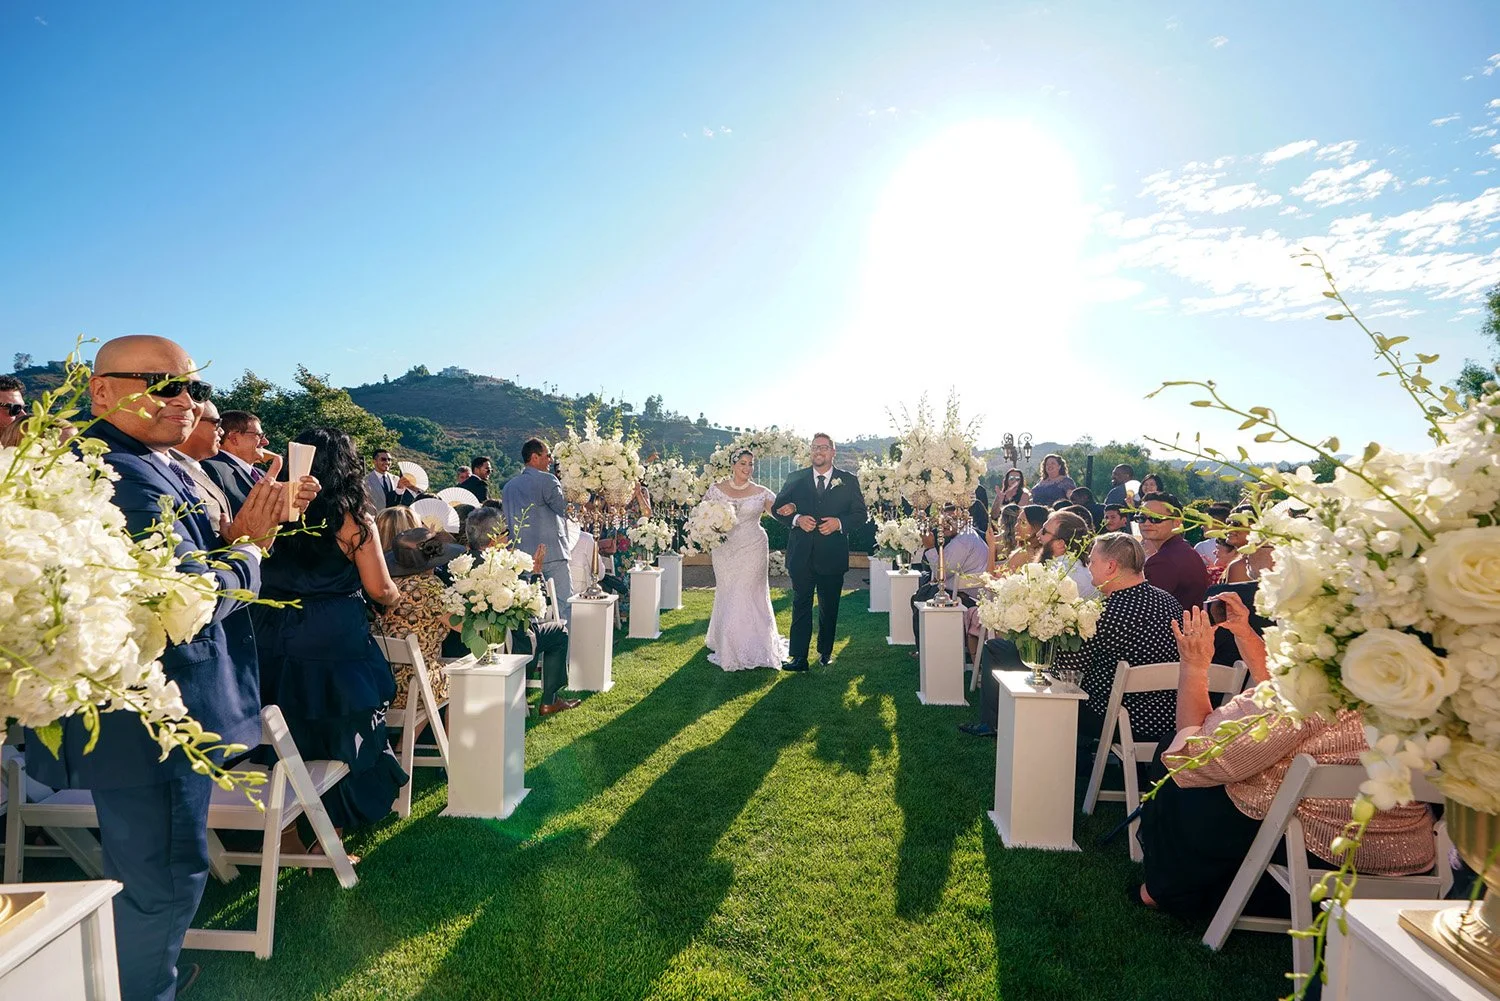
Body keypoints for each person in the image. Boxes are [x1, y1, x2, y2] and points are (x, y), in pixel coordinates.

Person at [27, 335, 316, 1001]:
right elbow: (181, 598)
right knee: (161, 881)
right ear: (101, 391)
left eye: (193, 387)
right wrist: (249, 547)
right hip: (147, 719)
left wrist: (253, 526)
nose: (184, 400)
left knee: (166, 871)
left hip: (171, 707)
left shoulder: (157, 459)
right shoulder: (112, 472)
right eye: (161, 384)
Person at [1135, 594, 1437, 913]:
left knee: (1179, 764)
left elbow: (1193, 760)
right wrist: (1246, 633)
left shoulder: (1311, 697)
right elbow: (1278, 690)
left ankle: (1162, 889)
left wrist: (1194, 666)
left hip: (1326, 860)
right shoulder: (1409, 692)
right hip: (1413, 856)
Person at [252, 427, 409, 847]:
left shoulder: (273, 510)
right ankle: (329, 837)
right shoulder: (353, 519)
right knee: (342, 735)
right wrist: (394, 597)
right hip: (333, 641)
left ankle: (284, 837)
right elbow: (379, 589)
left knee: (285, 736)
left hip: (274, 634)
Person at [961, 511, 1097, 737]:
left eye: (1045, 532)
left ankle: (991, 723)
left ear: (1061, 544)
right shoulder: (1084, 570)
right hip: (1077, 656)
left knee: (995, 648)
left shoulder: (1054, 573)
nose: (1040, 537)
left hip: (1056, 658)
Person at [463, 505, 579, 715]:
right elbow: (535, 608)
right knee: (559, 632)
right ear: (493, 539)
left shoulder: (460, 566)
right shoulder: (501, 570)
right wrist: (536, 573)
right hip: (512, 648)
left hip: (467, 649)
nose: (509, 539)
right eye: (506, 533)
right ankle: (550, 700)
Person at [772, 433, 868, 670]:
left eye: (823, 447)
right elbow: (776, 509)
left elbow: (860, 515)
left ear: (833, 452)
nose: (818, 451)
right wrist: (796, 519)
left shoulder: (848, 480)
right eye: (815, 447)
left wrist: (839, 523)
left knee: (829, 607)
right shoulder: (796, 477)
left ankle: (825, 652)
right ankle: (799, 657)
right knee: (801, 604)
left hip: (832, 556)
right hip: (801, 555)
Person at [703, 449, 787, 671]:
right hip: (724, 550)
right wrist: (708, 531)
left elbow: (779, 513)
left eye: (751, 464)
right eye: (743, 463)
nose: (747, 468)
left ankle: (751, 646)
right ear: (733, 465)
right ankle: (726, 640)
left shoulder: (761, 492)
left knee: (748, 591)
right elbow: (702, 515)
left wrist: (795, 512)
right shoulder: (717, 490)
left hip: (753, 547)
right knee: (728, 592)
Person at [375, 526, 463, 714]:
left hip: (379, 680)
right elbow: (462, 626)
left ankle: (405, 743)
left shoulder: (386, 584)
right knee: (463, 681)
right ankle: (450, 743)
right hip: (416, 684)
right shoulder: (429, 587)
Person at [501, 438, 573, 621]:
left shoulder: (508, 487)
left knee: (527, 609)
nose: (550, 460)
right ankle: (563, 648)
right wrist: (575, 493)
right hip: (552, 554)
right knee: (563, 606)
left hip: (520, 558)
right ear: (534, 457)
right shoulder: (548, 480)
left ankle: (533, 647)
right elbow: (565, 509)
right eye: (547, 455)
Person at [169, 399, 234, 535]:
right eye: (217, 423)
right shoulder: (169, 469)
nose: (222, 432)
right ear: (190, 421)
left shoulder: (194, 466)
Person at [1139, 491, 1210, 612]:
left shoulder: (1162, 561)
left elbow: (1146, 611)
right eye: (1141, 518)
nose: (1147, 523)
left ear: (1177, 522)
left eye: (1156, 518)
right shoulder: (1184, 550)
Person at [201, 410, 271, 514]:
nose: (266, 442)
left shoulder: (265, 475)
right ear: (233, 438)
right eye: (259, 435)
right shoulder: (211, 468)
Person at [1004, 504, 1050, 571]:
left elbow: (1000, 579)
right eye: (1017, 521)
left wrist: (991, 547)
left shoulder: (1024, 554)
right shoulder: (1043, 551)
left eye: (1023, 523)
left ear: (1036, 527)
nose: (1016, 527)